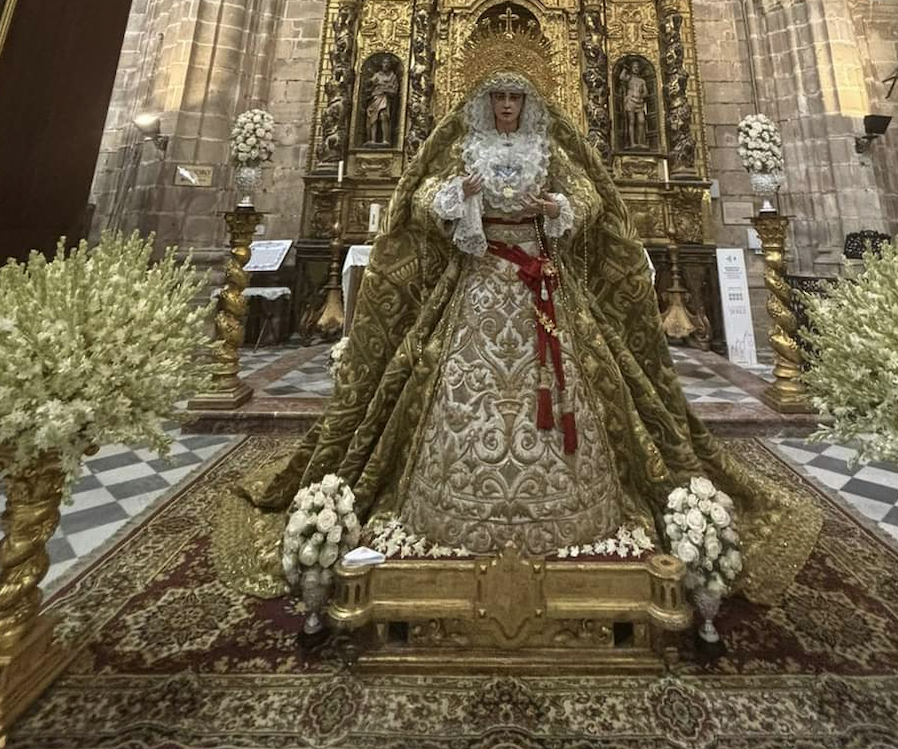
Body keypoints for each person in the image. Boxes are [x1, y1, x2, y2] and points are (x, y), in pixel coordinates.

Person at [214, 42, 821, 605]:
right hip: (478, 284)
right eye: (499, 98)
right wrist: (457, 194)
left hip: (543, 284)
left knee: (571, 383)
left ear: (528, 104)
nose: (507, 107)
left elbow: (590, 198)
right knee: (448, 383)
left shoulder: (549, 149)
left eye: (516, 99)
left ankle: (571, 504)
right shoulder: (463, 149)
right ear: (485, 103)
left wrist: (557, 207)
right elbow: (420, 197)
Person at [365, 57, 399, 146]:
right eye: (384, 63)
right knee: (373, 118)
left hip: (385, 98)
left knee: (384, 117)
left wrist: (386, 90)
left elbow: (395, 91)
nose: (386, 65)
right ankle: (372, 139)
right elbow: (369, 85)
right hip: (376, 97)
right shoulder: (377, 75)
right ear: (382, 64)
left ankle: (386, 139)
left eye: (388, 63)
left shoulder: (392, 76)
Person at [619, 60, 649, 149]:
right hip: (630, 101)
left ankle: (640, 142)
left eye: (637, 67)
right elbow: (621, 77)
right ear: (631, 69)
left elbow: (646, 93)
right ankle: (632, 143)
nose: (636, 69)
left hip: (639, 102)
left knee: (641, 121)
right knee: (631, 121)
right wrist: (624, 68)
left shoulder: (642, 81)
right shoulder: (629, 78)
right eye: (634, 67)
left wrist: (641, 95)